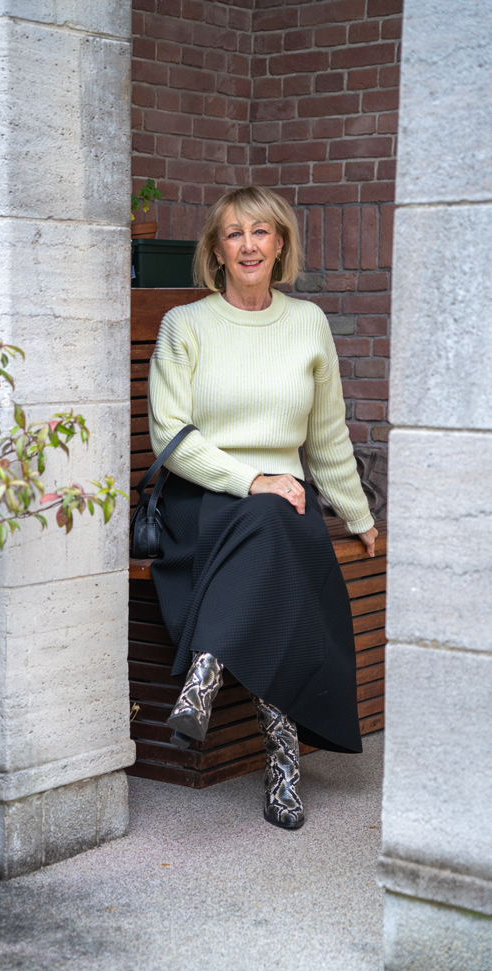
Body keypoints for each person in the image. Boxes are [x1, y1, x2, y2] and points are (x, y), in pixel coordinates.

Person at [147, 185, 377, 830]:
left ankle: (206, 674)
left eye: (261, 232)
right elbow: (172, 436)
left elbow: (327, 436)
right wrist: (252, 480)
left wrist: (359, 520)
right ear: (215, 252)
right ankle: (283, 765)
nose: (248, 245)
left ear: (280, 246)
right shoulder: (185, 325)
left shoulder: (307, 323)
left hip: (285, 499)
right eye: (233, 234)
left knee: (278, 528)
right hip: (202, 497)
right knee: (274, 524)